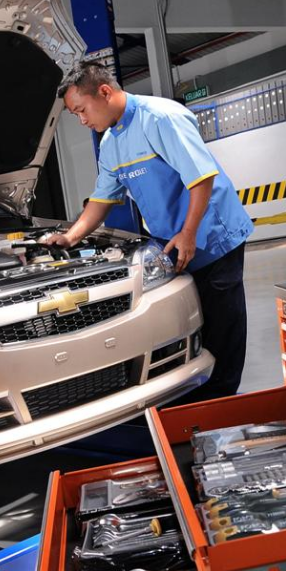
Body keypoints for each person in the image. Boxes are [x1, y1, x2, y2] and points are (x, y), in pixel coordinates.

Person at [44, 61, 253, 400]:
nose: (82, 121)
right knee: (190, 325)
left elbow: (202, 178)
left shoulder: (161, 118)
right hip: (173, 243)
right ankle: (197, 401)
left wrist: (188, 233)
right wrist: (70, 237)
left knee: (223, 327)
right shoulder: (110, 143)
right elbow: (101, 199)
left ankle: (223, 404)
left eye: (81, 110)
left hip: (212, 236)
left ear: (104, 92)